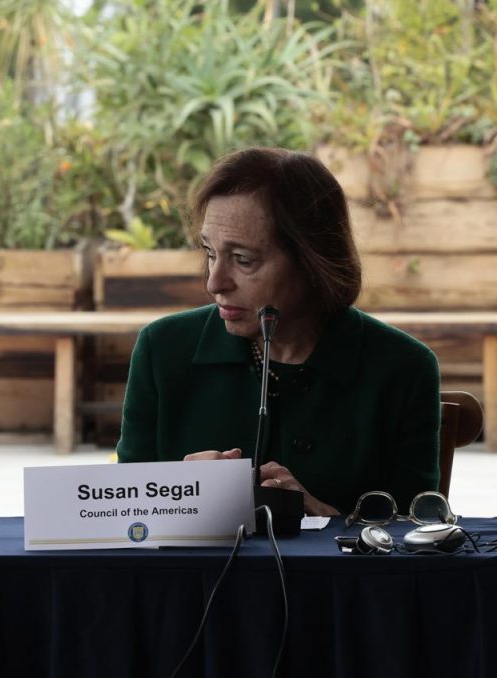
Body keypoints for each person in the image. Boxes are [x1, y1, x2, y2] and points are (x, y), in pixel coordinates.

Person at [116, 147, 440, 516]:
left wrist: (323, 519)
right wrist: (175, 494)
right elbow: (124, 519)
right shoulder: (162, 349)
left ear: (315, 260)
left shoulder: (404, 368)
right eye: (210, 252)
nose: (214, 282)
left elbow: (416, 541)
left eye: (243, 260)